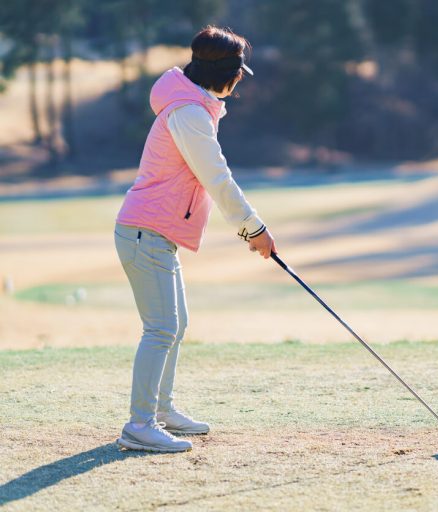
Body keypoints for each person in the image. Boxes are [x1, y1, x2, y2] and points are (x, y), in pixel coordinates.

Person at [114, 26, 275, 452]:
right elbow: (216, 177)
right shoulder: (189, 115)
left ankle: (161, 411)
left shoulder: (191, 107)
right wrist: (254, 229)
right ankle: (139, 425)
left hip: (153, 235)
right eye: (239, 75)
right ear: (226, 74)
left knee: (175, 324)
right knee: (161, 328)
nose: (239, 83)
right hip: (144, 233)